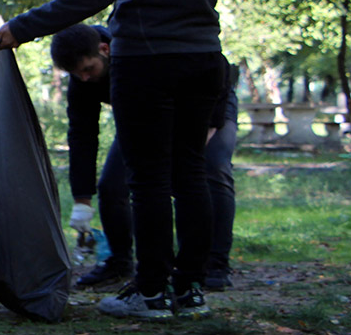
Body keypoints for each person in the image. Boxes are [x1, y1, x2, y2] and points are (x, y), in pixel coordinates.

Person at [0, 0, 241, 320]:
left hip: (147, 60)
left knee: (147, 179)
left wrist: (22, 27)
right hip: (204, 57)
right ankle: (189, 290)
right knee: (191, 171)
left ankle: (150, 291)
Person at [50, 24, 240, 291]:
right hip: (144, 112)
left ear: (105, 50)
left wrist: (207, 127)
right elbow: (82, 135)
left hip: (208, 98)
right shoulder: (83, 82)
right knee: (112, 185)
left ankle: (215, 264)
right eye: (75, 74)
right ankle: (119, 262)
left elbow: (215, 67)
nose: (83, 78)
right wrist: (82, 199)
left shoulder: (142, 42)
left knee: (212, 169)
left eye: (88, 69)